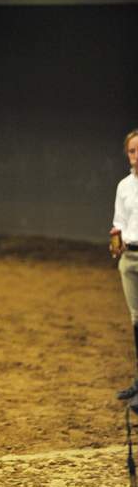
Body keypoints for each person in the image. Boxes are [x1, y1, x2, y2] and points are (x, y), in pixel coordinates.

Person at [110, 128, 138, 400]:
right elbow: (119, 221)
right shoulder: (124, 186)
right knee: (136, 319)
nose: (136, 156)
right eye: (132, 151)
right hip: (129, 258)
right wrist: (116, 239)